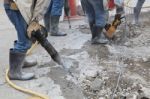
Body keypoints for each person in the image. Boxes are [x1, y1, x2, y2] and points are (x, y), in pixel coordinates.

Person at [4, 0, 37, 80]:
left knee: (22, 36)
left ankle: (21, 62)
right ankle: (14, 72)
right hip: (17, 8)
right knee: (24, 41)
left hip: (17, 6)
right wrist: (35, 20)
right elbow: (41, 5)